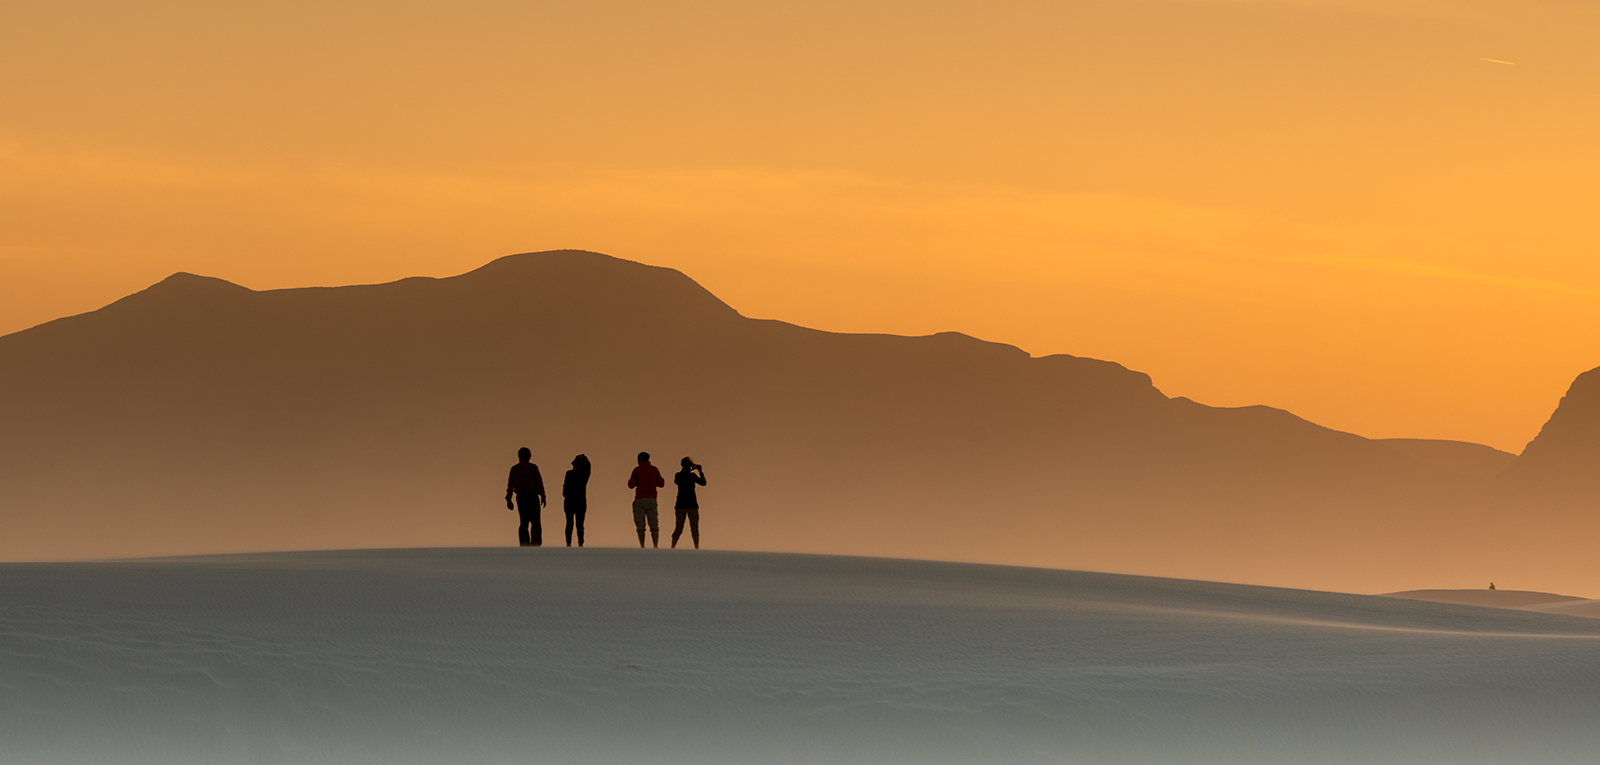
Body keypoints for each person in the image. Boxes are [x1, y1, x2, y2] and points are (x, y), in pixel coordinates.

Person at [505, 447, 546, 547]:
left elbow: (510, 485)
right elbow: (539, 482)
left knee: (524, 522)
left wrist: (509, 499)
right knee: (535, 522)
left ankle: (524, 545)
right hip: (532, 496)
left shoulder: (514, 469)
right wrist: (543, 496)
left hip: (521, 497)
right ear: (529, 456)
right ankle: (536, 544)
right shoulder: (533, 467)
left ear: (519, 457)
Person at [627, 451, 665, 548]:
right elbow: (661, 483)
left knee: (640, 524)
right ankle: (655, 545)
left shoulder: (637, 470)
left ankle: (642, 546)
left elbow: (631, 485)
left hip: (640, 499)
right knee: (654, 524)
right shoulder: (654, 469)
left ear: (640, 459)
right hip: (652, 499)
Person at [672, 457, 707, 549]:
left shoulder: (678, 475)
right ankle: (696, 548)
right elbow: (703, 483)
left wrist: (691, 468)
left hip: (680, 505)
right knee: (694, 528)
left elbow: (677, 481)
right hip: (692, 505)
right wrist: (699, 471)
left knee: (678, 528)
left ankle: (672, 547)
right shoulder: (692, 476)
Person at [563, 454, 591, 547]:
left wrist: (565, 493)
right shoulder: (584, 474)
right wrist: (585, 458)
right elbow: (589, 467)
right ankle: (580, 543)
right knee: (580, 525)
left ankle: (568, 543)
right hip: (580, 502)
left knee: (569, 524)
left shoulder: (569, 473)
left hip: (569, 502)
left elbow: (565, 488)